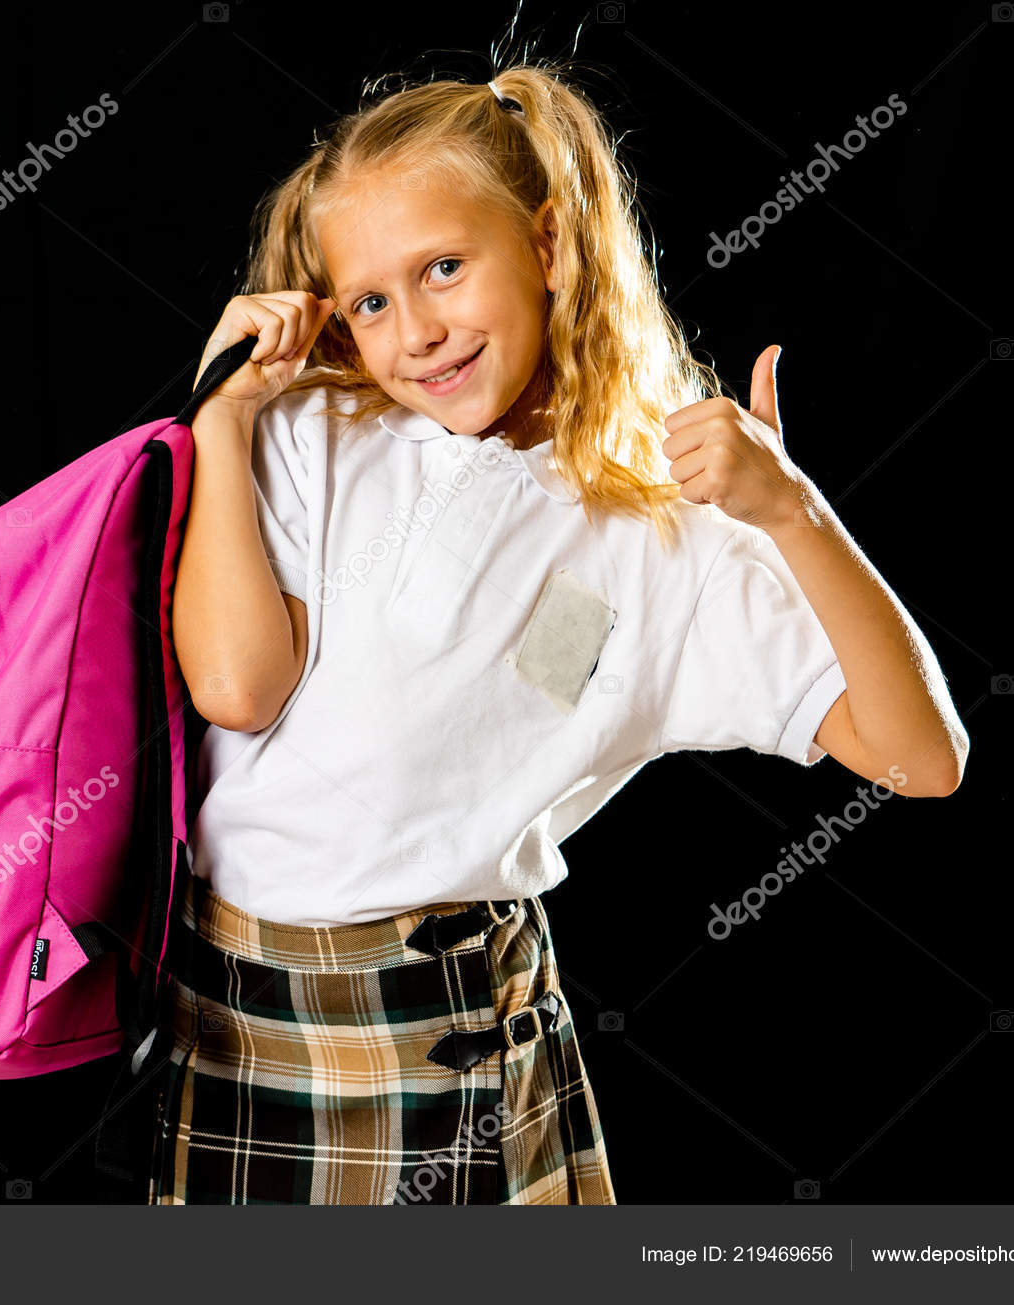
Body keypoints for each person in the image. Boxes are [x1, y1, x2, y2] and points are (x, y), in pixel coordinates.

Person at [151, 63, 968, 1205]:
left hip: (446, 1039)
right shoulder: (309, 431)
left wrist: (792, 512)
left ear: (545, 243)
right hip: (235, 1013)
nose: (418, 333)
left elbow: (921, 759)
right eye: (372, 301)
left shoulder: (668, 533)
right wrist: (223, 416)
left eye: (443, 267)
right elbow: (237, 689)